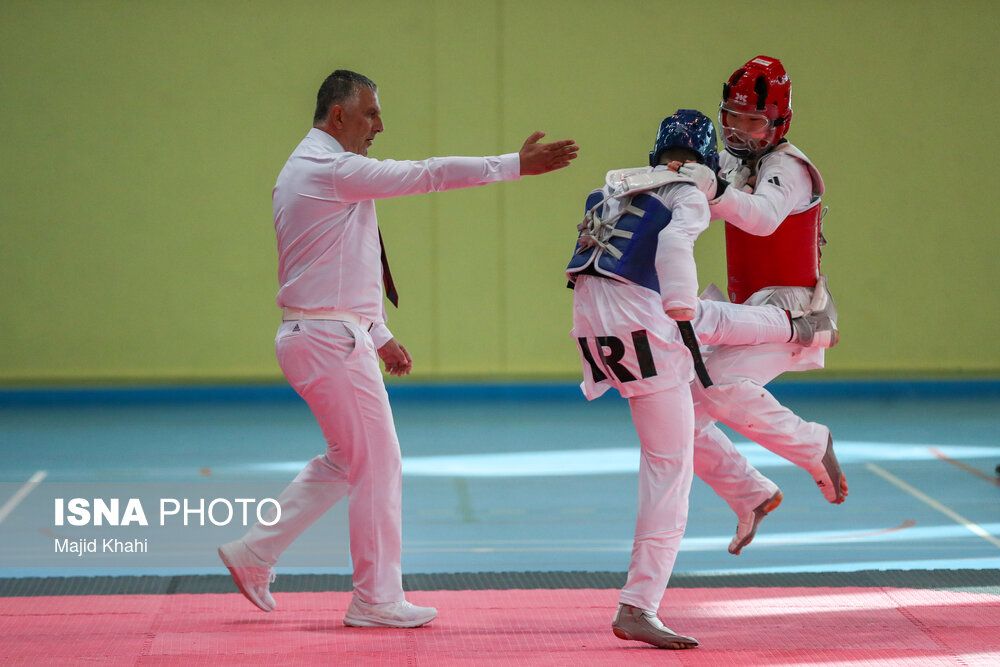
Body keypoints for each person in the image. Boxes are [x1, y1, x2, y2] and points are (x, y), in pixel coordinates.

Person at [218, 69, 578, 628]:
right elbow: (427, 173)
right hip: (329, 339)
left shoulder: (310, 168)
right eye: (371, 113)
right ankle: (375, 598)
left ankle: (254, 552)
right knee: (379, 461)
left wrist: (380, 335)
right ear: (338, 115)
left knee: (348, 459)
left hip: (317, 333)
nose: (380, 126)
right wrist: (514, 164)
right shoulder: (329, 169)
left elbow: (335, 262)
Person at [566, 109, 834, 650]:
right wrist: (686, 306)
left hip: (596, 334)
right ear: (707, 159)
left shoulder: (614, 188)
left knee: (691, 407)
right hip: (645, 330)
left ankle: (751, 492)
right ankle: (639, 605)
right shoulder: (687, 192)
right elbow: (678, 257)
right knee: (668, 468)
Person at [678, 55, 847, 557]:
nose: (738, 130)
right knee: (675, 412)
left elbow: (763, 218)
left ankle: (813, 444)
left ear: (778, 123)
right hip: (748, 310)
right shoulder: (732, 162)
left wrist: (712, 187)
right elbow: (702, 199)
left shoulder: (789, 168)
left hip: (790, 313)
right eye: (731, 117)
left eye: (752, 121)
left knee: (717, 383)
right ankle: (749, 494)